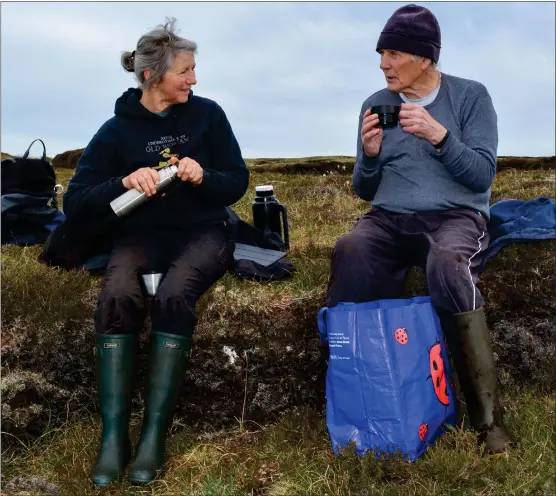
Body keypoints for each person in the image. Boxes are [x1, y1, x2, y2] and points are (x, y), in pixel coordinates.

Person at [63, 18, 249, 486]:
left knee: (174, 295)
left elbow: (237, 181)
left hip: (204, 231)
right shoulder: (115, 131)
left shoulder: (208, 115)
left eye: (193, 69)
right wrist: (124, 182)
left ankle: (153, 436)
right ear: (152, 76)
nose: (193, 79)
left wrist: (203, 175)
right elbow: (76, 202)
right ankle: (113, 438)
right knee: (118, 295)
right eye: (185, 70)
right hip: (139, 236)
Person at [326, 4, 510, 454]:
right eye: (381, 54)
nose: (383, 64)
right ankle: (355, 394)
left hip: (455, 217)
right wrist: (369, 156)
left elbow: (482, 176)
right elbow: (364, 189)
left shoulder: (470, 97)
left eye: (393, 53)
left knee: (449, 264)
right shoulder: (376, 104)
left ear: (425, 58)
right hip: (389, 218)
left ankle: (488, 420)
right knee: (351, 250)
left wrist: (439, 136)